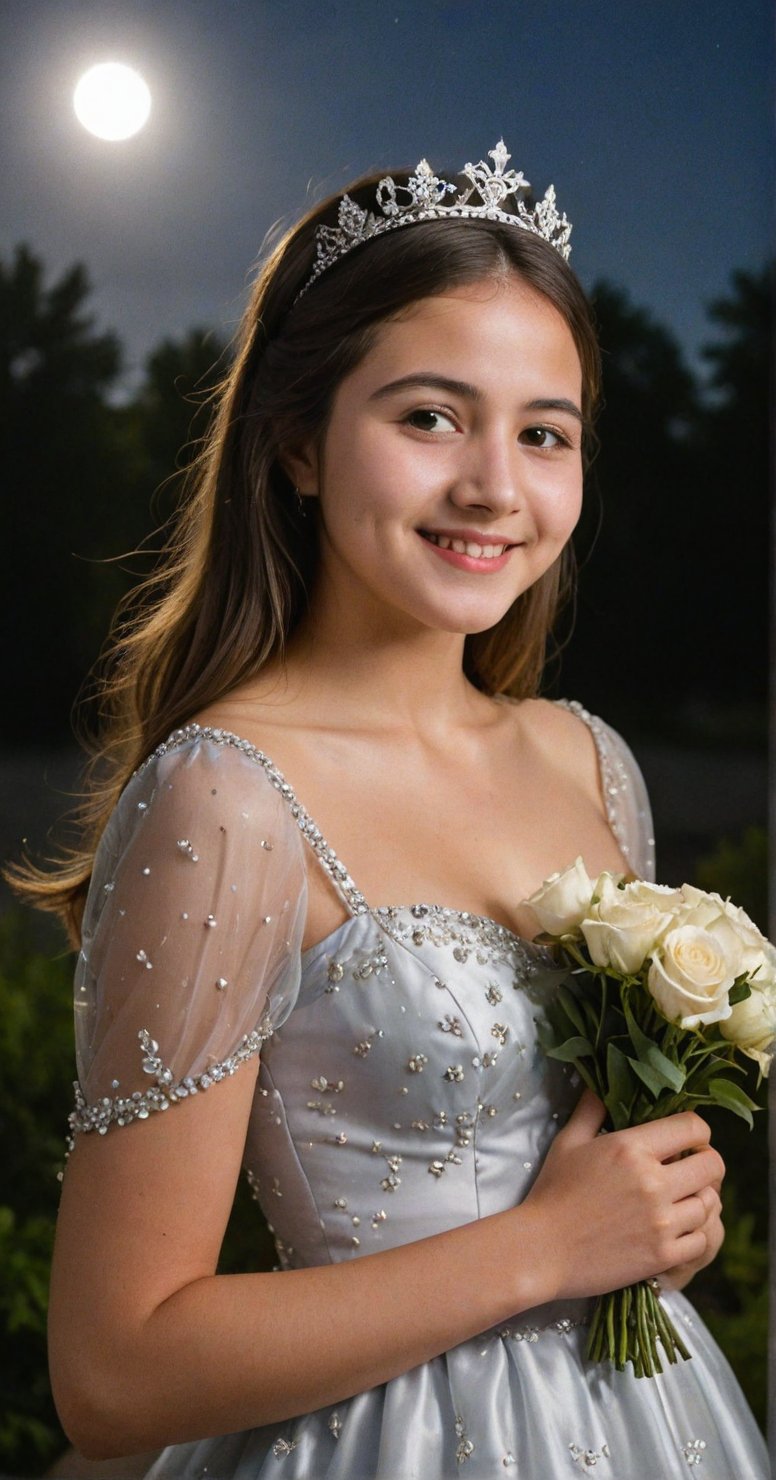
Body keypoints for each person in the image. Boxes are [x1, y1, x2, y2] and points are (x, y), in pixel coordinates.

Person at [21, 142, 767, 1478]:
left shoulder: (593, 763)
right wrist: (545, 1247)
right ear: (298, 444)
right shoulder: (226, 798)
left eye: (545, 432)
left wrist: (658, 1219)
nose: (494, 483)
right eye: (429, 417)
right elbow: (116, 1370)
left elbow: (597, 1168)